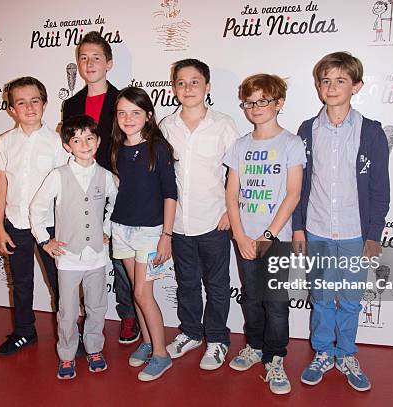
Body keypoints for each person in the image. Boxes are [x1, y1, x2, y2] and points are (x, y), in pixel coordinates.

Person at [293, 51, 390, 392]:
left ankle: (346, 353)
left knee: (349, 299)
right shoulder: (307, 131)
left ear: (357, 86)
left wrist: (374, 234)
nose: (332, 87)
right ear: (318, 87)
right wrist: (298, 227)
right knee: (320, 297)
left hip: (354, 233)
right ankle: (322, 353)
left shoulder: (372, 133)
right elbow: (299, 186)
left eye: (340, 81)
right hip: (317, 230)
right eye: (326, 81)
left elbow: (380, 190)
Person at [224, 74, 305, 395]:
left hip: (276, 240)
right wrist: (241, 235)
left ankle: (276, 356)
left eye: (263, 101)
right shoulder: (240, 146)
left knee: (275, 302)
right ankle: (255, 346)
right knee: (252, 297)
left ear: (279, 103)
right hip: (244, 237)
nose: (255, 108)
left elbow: (294, 193)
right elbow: (231, 194)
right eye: (249, 102)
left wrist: (269, 235)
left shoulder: (291, 143)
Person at [160, 59, 239, 370]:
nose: (188, 88)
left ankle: (217, 339)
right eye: (181, 82)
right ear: (174, 88)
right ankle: (191, 332)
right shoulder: (167, 126)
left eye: (195, 82)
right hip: (179, 223)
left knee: (217, 285)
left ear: (207, 87)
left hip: (214, 221)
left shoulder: (224, 124)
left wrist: (230, 212)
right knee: (187, 283)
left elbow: (238, 170)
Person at [62, 31, 139, 349]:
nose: (89, 63)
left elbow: (132, 141)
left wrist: (122, 177)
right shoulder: (71, 104)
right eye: (83, 57)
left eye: (96, 57)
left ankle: (129, 314)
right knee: (83, 253)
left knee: (120, 255)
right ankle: (78, 319)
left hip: (117, 187)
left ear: (109, 63)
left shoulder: (124, 100)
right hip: (81, 189)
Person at [30, 115, 117, 379]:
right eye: (76, 139)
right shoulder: (58, 176)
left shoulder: (106, 176)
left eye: (89, 138)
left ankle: (94, 349)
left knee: (97, 306)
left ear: (98, 141)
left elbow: (116, 205)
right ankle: (67, 354)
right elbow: (37, 208)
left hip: (97, 258)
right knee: (67, 311)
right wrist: (45, 240)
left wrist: (107, 229)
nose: (84, 143)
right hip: (68, 258)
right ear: (67, 146)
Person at [0, 76, 69, 356]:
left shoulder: (59, 143)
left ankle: (68, 334)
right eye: (21, 102)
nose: (29, 107)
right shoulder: (5, 142)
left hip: (50, 226)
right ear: (11, 109)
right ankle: (24, 331)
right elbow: (0, 185)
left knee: (60, 283)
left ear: (45, 104)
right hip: (16, 224)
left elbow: (66, 188)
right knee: (21, 283)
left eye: (35, 100)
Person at [110, 87, 177, 381]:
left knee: (142, 293)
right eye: (122, 113)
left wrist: (167, 235)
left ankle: (161, 355)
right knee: (136, 294)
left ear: (148, 115)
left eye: (135, 112)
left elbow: (170, 193)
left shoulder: (158, 148)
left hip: (151, 234)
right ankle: (148, 342)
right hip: (121, 230)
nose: (128, 118)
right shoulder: (115, 148)